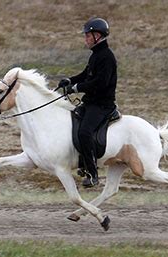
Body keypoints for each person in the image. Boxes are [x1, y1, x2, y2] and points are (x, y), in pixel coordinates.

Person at [59, 17, 117, 188]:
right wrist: (69, 81)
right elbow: (86, 75)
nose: (85, 39)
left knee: (84, 132)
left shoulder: (107, 57)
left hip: (102, 105)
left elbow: (100, 83)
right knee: (73, 122)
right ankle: (83, 163)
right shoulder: (96, 55)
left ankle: (93, 174)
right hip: (91, 102)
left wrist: (76, 88)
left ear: (97, 36)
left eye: (87, 36)